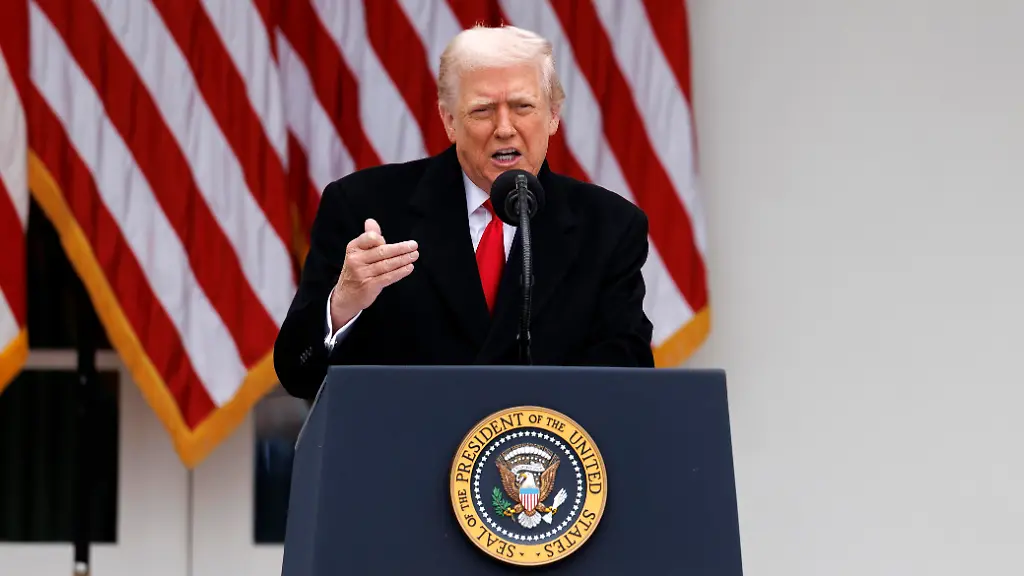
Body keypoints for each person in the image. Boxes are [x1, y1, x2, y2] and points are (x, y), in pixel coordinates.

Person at [273, 25, 654, 400]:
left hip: (538, 456)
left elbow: (628, 377)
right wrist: (343, 305)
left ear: (553, 115)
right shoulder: (364, 207)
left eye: (523, 106)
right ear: (450, 121)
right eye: (483, 110)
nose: (505, 128)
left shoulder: (610, 227)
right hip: (403, 455)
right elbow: (297, 373)